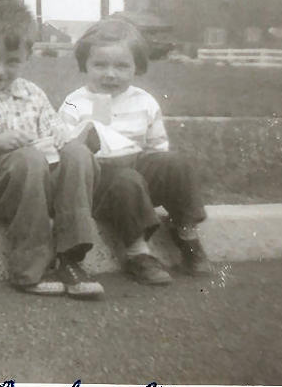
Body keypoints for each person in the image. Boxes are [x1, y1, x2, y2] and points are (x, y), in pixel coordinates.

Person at [0, 0, 103, 299]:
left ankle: (71, 259)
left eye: (12, 61)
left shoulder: (33, 95)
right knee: (28, 159)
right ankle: (29, 268)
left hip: (32, 188)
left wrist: (69, 141)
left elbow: (59, 135)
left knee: (77, 154)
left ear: (27, 57)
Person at [59, 18, 213, 285]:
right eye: (100, 65)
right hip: (101, 185)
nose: (110, 74)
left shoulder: (143, 101)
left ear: (137, 67)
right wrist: (90, 135)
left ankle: (186, 232)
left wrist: (148, 161)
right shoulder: (77, 102)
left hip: (137, 170)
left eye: (121, 66)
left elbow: (157, 148)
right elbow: (67, 153)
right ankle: (137, 252)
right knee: (126, 179)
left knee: (176, 164)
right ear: (85, 64)